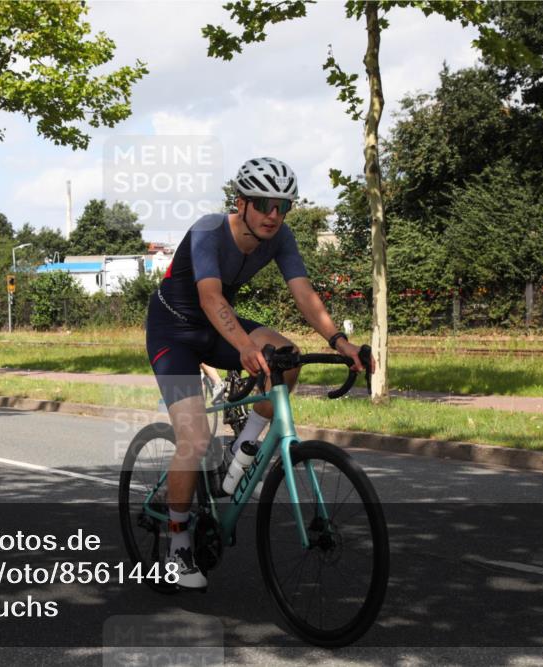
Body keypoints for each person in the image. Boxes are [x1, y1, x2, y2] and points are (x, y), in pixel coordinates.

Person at [145, 157, 374, 590]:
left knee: (288, 357)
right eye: (265, 204)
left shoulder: (280, 237)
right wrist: (245, 346)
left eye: (283, 206)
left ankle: (242, 447)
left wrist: (339, 341)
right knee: (195, 439)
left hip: (216, 328)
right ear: (241, 203)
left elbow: (303, 293)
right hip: (172, 332)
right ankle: (177, 541)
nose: (274, 215)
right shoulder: (208, 231)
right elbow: (211, 298)